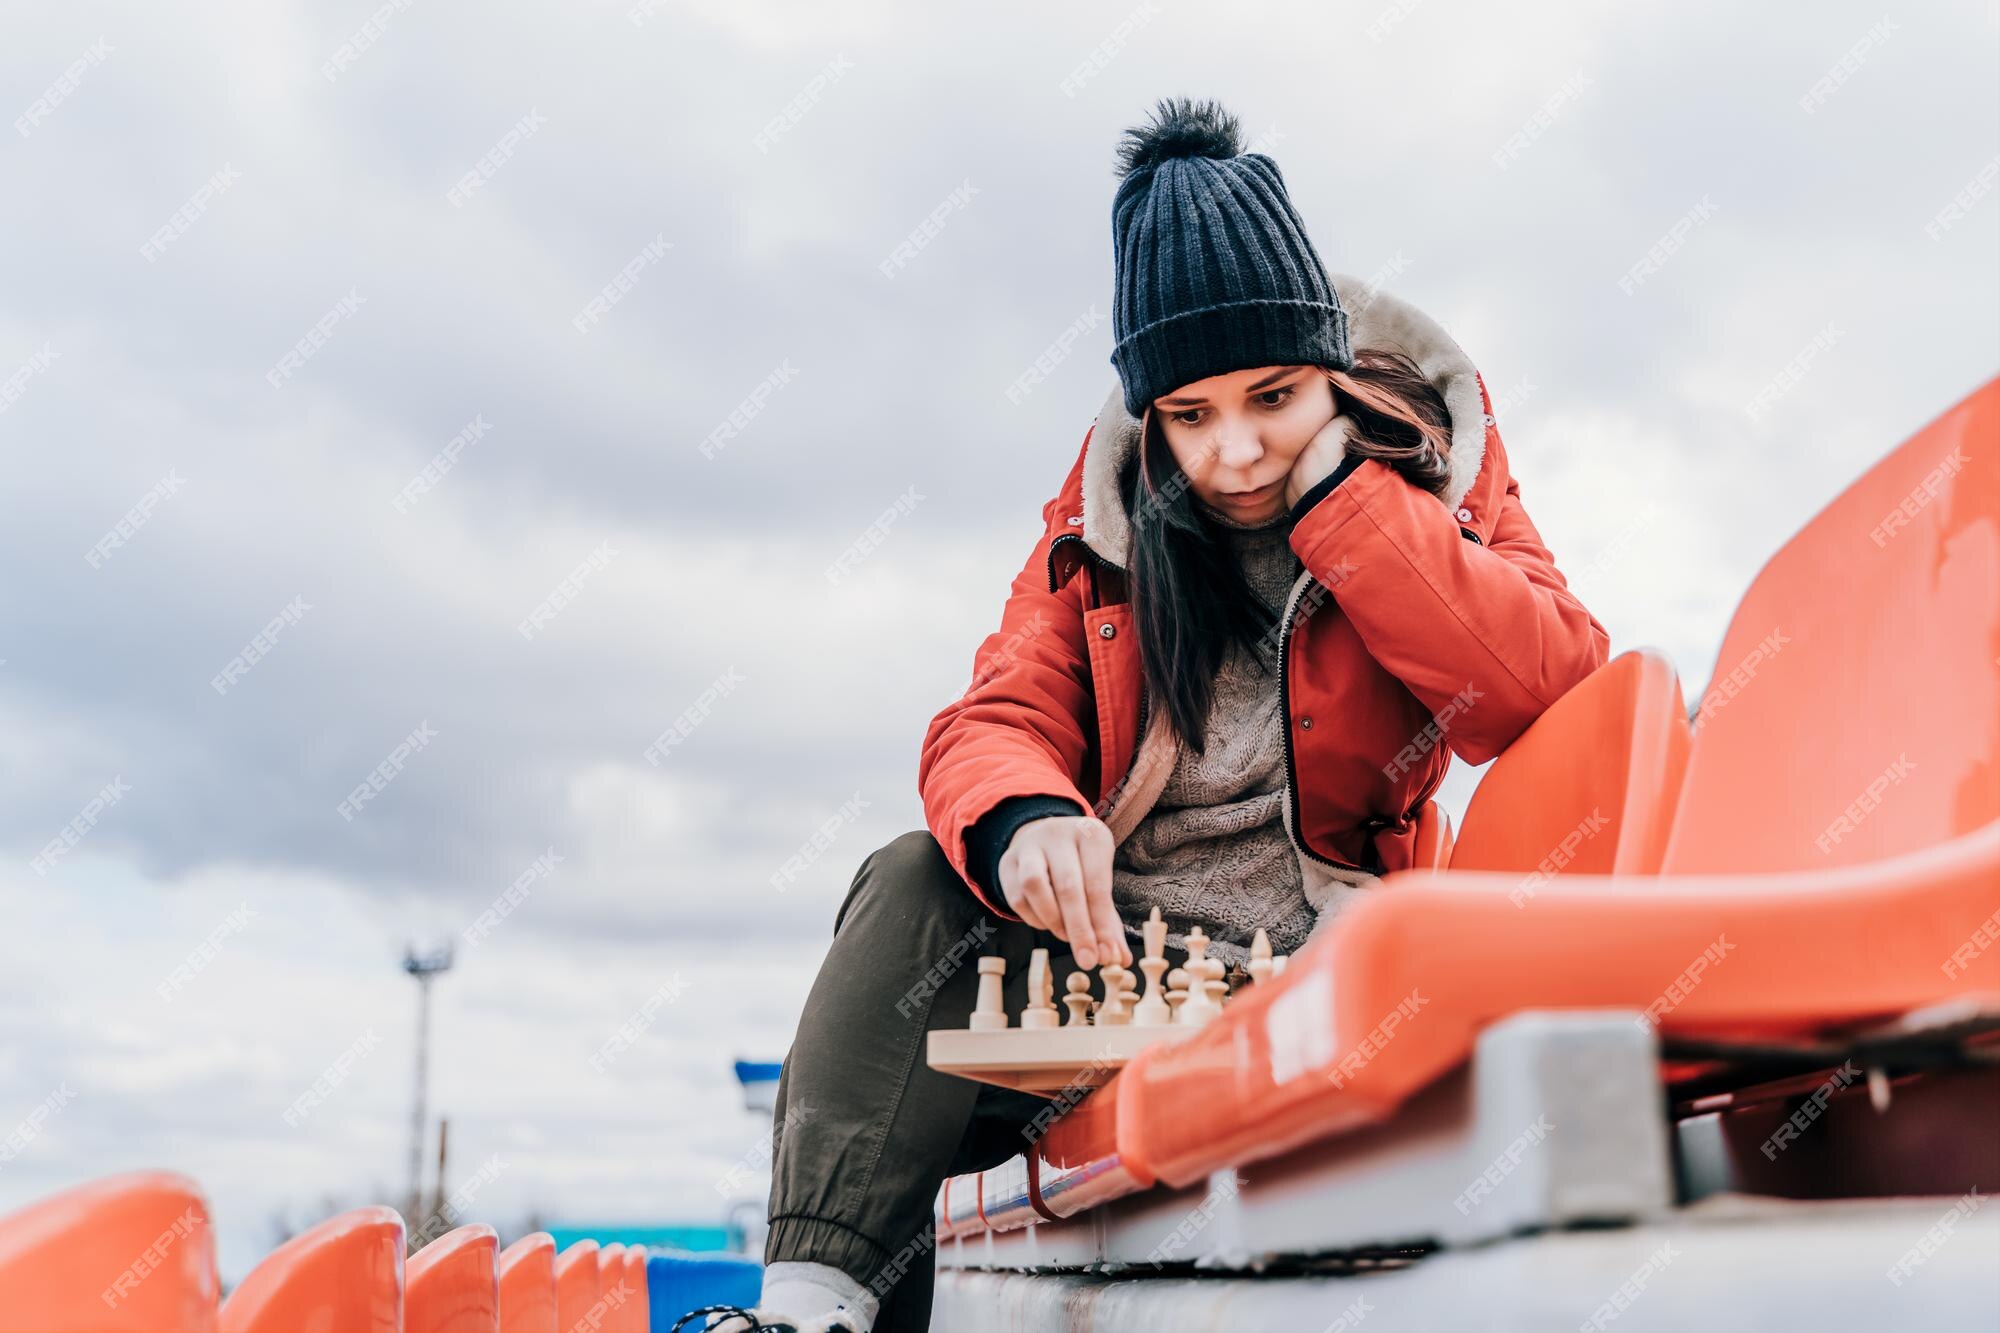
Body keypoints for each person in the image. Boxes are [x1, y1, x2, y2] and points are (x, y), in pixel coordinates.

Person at [679, 95, 1610, 1333]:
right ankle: (809, 1314)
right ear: (1148, 414)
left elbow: (1546, 684)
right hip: (1107, 979)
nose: (1231, 453)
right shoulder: (1101, 518)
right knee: (906, 885)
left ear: (1330, 370)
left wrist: (1351, 512)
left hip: (1318, 970)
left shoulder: (1439, 470)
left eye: (1272, 397)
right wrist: (1021, 817)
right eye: (1189, 414)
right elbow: (994, 712)